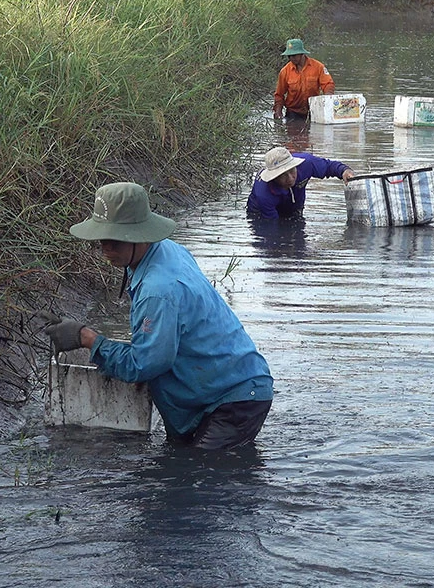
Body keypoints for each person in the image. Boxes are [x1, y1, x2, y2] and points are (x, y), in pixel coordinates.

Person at [39, 182, 273, 449]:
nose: (105, 249)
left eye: (114, 241)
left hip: (235, 399)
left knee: (198, 475)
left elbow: (145, 364)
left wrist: (87, 338)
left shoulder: (158, 290)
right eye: (101, 240)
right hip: (223, 384)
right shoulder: (167, 250)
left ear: (139, 236)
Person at [246, 146, 355, 220]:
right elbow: (272, 225)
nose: (290, 178)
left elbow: (329, 167)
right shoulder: (264, 193)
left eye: (292, 171)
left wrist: (344, 171)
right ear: (274, 177)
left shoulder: (307, 163)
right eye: (283, 175)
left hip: (294, 205)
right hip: (260, 212)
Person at [273, 38, 335, 121]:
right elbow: (279, 94)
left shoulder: (318, 67)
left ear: (302, 54)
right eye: (289, 56)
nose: (291, 58)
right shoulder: (285, 71)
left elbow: (328, 84)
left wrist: (327, 99)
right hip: (293, 113)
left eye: (294, 55)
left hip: (314, 111)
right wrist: (278, 111)